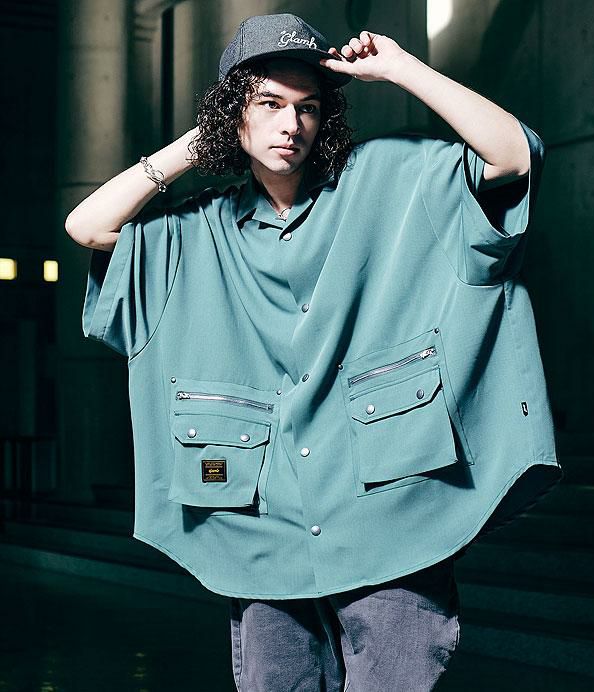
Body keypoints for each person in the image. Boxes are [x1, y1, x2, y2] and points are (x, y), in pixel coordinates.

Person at [65, 12, 563, 692]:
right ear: (234, 113)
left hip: (390, 516)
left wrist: (402, 69)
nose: (290, 125)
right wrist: (201, 141)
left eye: (307, 107)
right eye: (268, 104)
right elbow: (86, 225)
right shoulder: (197, 228)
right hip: (262, 529)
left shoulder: (392, 177)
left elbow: (513, 157)